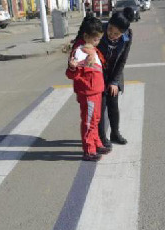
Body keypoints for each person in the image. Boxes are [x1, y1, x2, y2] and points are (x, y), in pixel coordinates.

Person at [66, 15, 111, 161]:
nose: (98, 42)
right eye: (95, 39)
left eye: (99, 39)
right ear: (86, 36)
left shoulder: (91, 49)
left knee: (96, 119)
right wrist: (73, 68)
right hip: (88, 92)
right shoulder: (79, 51)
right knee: (89, 121)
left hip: (96, 90)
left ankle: (96, 143)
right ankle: (89, 149)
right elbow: (71, 73)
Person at [97, 7, 134, 148]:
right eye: (110, 30)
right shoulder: (99, 29)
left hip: (114, 74)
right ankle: (101, 137)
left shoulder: (127, 37)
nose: (112, 34)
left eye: (116, 34)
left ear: (123, 33)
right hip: (98, 73)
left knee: (113, 105)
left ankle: (115, 133)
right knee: (100, 107)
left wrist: (114, 81)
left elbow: (122, 60)